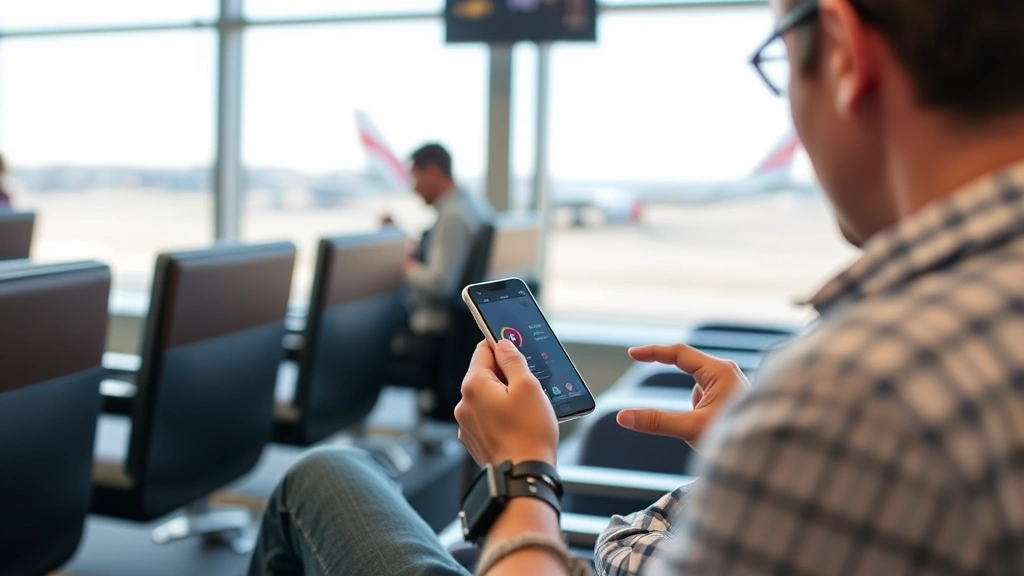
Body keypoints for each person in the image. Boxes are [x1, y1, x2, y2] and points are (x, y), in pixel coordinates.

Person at [248, 0, 1024, 574]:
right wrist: (758, 446)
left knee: (320, 477)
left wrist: (520, 474)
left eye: (782, 62)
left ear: (847, 56)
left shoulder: (865, 386)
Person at [395, 143, 492, 336]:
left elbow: (440, 284)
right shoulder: (475, 205)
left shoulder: (452, 216)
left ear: (432, 172)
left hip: (435, 324)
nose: (414, 188)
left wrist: (405, 265)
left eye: (415, 177)